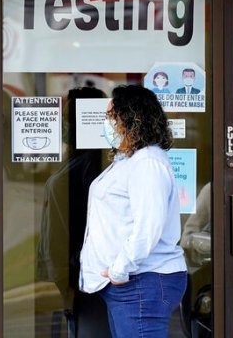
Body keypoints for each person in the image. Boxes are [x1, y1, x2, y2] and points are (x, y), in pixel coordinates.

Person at [79, 84, 187, 337]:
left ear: (131, 117)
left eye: (110, 116)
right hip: (131, 282)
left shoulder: (148, 162)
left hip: (141, 281)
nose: (106, 123)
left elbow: (148, 226)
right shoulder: (130, 161)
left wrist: (120, 268)